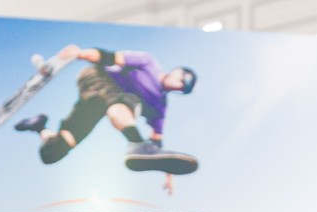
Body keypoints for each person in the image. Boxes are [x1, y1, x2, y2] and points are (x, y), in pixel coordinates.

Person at [15, 44, 196, 188]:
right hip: (97, 77)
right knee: (126, 101)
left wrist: (169, 172)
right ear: (177, 70)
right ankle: (137, 143)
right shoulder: (148, 62)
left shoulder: (160, 104)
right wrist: (79, 54)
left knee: (53, 152)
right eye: (182, 78)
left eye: (184, 88)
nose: (180, 84)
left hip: (100, 104)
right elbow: (108, 57)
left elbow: (157, 145)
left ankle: (39, 126)